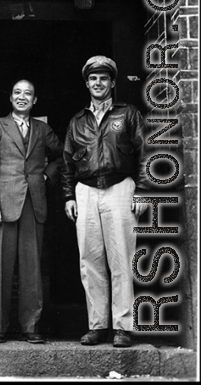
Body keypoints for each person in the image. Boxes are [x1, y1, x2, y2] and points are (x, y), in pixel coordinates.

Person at [61, 56, 148, 348]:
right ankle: (97, 325)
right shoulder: (77, 121)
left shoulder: (128, 114)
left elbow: (146, 153)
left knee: (122, 259)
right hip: (86, 191)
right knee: (90, 260)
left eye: (103, 78)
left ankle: (123, 327)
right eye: (93, 79)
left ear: (112, 83)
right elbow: (66, 164)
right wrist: (68, 196)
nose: (98, 83)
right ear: (87, 84)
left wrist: (144, 191)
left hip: (120, 187)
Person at [0, 80, 63, 344]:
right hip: (2, 205)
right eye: (17, 92)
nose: (22, 97)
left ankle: (31, 326)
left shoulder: (42, 129)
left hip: (33, 204)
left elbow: (64, 155)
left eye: (28, 93)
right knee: (1, 267)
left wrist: (47, 176)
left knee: (31, 268)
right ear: (10, 97)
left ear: (35, 100)